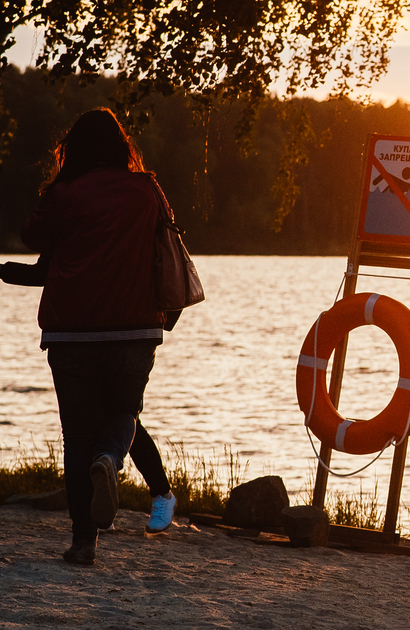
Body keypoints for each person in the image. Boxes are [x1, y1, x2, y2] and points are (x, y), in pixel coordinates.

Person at [19, 108, 175, 564]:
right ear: (120, 146)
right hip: (135, 326)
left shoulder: (65, 193)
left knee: (76, 436)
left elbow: (31, 236)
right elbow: (168, 245)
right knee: (124, 411)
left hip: (71, 331)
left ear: (74, 149)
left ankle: (83, 541)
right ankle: (111, 457)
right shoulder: (147, 190)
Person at [2, 256, 178, 536]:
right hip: (93, 328)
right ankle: (125, 501)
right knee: (113, 416)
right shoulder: (92, 217)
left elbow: (37, 251)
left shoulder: (126, 214)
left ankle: (157, 495)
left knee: (117, 416)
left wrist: (5, 270)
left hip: (125, 326)